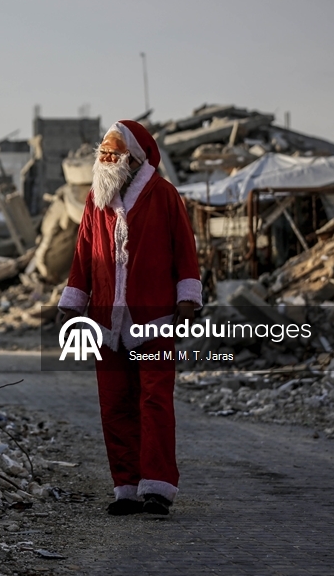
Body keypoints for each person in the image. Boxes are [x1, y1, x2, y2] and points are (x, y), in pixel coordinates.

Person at [58, 120, 201, 517]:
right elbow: (83, 253)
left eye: (114, 154)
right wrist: (73, 303)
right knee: (114, 404)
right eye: (103, 154)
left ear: (135, 159)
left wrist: (187, 298)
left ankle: (157, 487)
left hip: (155, 317)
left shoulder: (165, 194)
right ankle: (126, 488)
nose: (105, 160)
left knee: (155, 400)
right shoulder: (96, 199)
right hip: (105, 321)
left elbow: (184, 248)